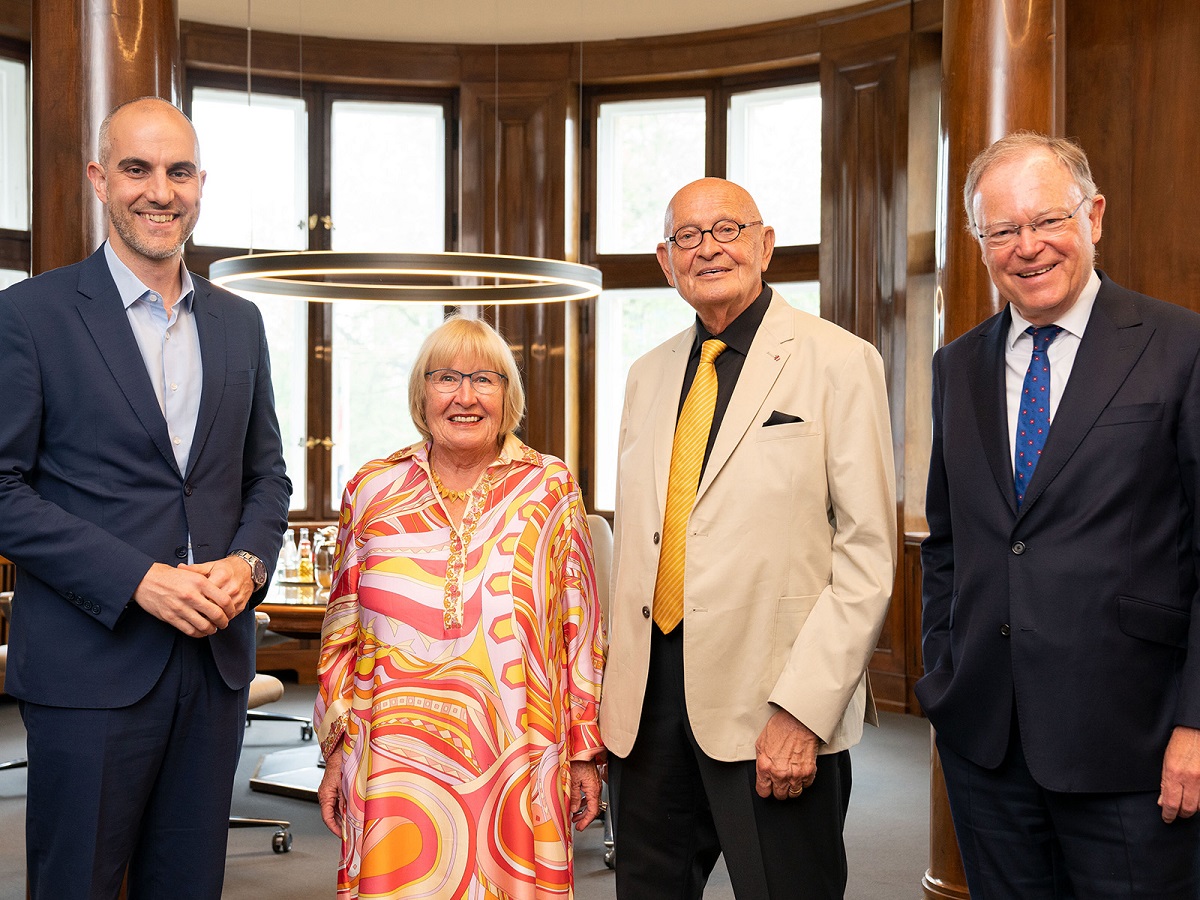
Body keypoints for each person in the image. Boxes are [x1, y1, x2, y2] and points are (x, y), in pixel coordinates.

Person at [0, 96, 291, 899]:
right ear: (100, 178)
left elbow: (267, 474)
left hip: (214, 666)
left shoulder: (241, 323)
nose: (160, 191)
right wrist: (138, 577)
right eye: (138, 168)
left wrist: (248, 560)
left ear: (201, 184)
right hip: (90, 668)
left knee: (189, 885)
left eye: (179, 171)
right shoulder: (30, 314)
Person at [918, 131, 1200, 898]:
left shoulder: (1180, 347)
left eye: (1048, 220)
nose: (1028, 247)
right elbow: (948, 544)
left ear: (1094, 216)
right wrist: (940, 678)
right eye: (1002, 230)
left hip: (1133, 744)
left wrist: (1197, 726)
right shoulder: (957, 367)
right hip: (987, 745)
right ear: (980, 242)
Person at [599, 177, 897, 899]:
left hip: (772, 703)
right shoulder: (646, 375)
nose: (708, 250)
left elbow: (867, 557)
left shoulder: (839, 360)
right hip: (646, 712)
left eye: (727, 229)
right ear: (665, 262)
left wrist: (804, 711)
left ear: (765, 245)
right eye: (687, 238)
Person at [313, 315, 605, 899]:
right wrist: (336, 752)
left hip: (520, 755)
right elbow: (340, 630)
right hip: (391, 759)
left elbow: (582, 630)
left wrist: (583, 753)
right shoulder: (372, 489)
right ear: (423, 392)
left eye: (484, 379)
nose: (465, 397)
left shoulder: (549, 487)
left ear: (508, 394)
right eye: (446, 378)